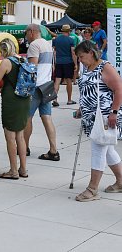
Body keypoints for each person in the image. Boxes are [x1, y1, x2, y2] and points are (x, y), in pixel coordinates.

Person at [74, 40, 122, 201]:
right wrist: (82, 108)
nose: (80, 60)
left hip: (105, 115)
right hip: (92, 116)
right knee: (107, 150)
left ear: (91, 53)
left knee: (99, 149)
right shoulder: (88, 67)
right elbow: (89, 90)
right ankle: (121, 181)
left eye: (81, 56)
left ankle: (92, 189)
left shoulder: (105, 67)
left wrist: (114, 112)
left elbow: (119, 89)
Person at [0, 38, 30, 179]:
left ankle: (13, 171)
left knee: (10, 136)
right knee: (20, 136)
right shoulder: (22, 60)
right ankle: (23, 169)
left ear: (3, 50)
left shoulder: (6, 62)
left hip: (11, 101)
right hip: (24, 99)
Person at [24, 24, 60, 161]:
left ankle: (24, 147)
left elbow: (32, 68)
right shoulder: (47, 45)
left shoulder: (33, 46)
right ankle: (53, 150)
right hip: (47, 85)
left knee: (27, 118)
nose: (26, 36)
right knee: (47, 117)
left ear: (32, 32)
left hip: (35, 87)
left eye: (26, 33)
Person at [52, 24, 77, 106]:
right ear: (69, 31)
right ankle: (69, 100)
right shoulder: (70, 40)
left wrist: (54, 63)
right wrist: (76, 64)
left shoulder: (56, 40)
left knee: (57, 80)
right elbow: (73, 53)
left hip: (58, 62)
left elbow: (54, 51)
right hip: (68, 62)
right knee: (69, 80)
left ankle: (55, 99)